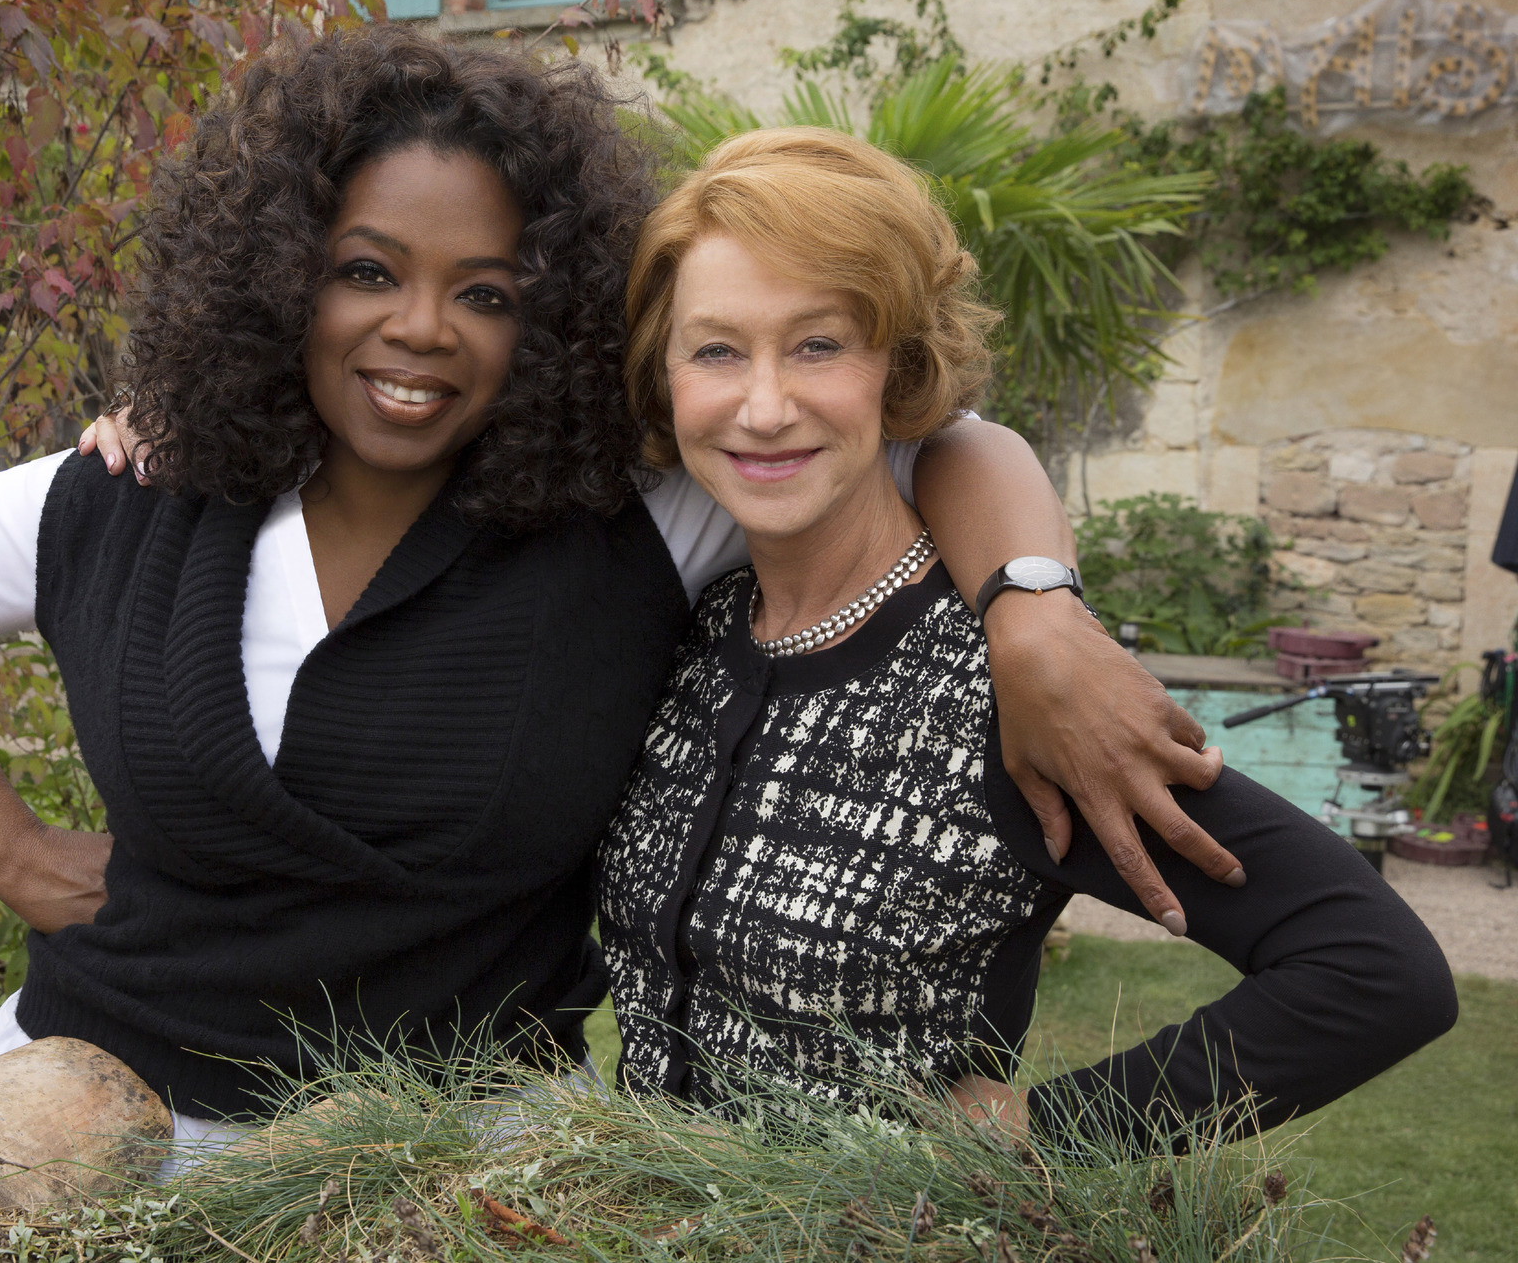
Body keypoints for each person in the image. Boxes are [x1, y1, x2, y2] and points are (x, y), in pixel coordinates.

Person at [0, 26, 1237, 1155]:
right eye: (367, 271)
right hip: (77, 1113)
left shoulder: (635, 521)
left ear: (548, 310)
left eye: (485, 291)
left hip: (447, 1160)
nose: (420, 330)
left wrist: (1035, 610)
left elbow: (945, 440)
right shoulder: (136, 495)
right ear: (280, 276)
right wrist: (7, 846)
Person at [595, 126, 1456, 1147]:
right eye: (715, 350)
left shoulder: (1004, 690)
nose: (764, 403)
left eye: (818, 344)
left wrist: (1049, 1133)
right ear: (663, 375)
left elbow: (1370, 970)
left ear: (899, 369)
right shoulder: (694, 637)